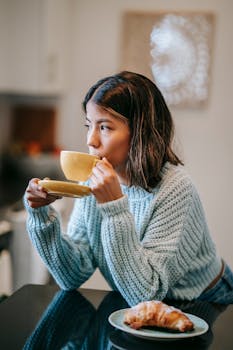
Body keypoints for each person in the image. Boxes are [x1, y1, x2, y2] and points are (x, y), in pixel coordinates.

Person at [24, 71, 233, 306]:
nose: (90, 140)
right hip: (146, 308)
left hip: (208, 302)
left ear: (140, 133)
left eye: (104, 127)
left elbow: (146, 293)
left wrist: (114, 207)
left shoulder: (176, 190)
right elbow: (71, 274)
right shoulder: (92, 181)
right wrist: (40, 216)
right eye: (89, 125)